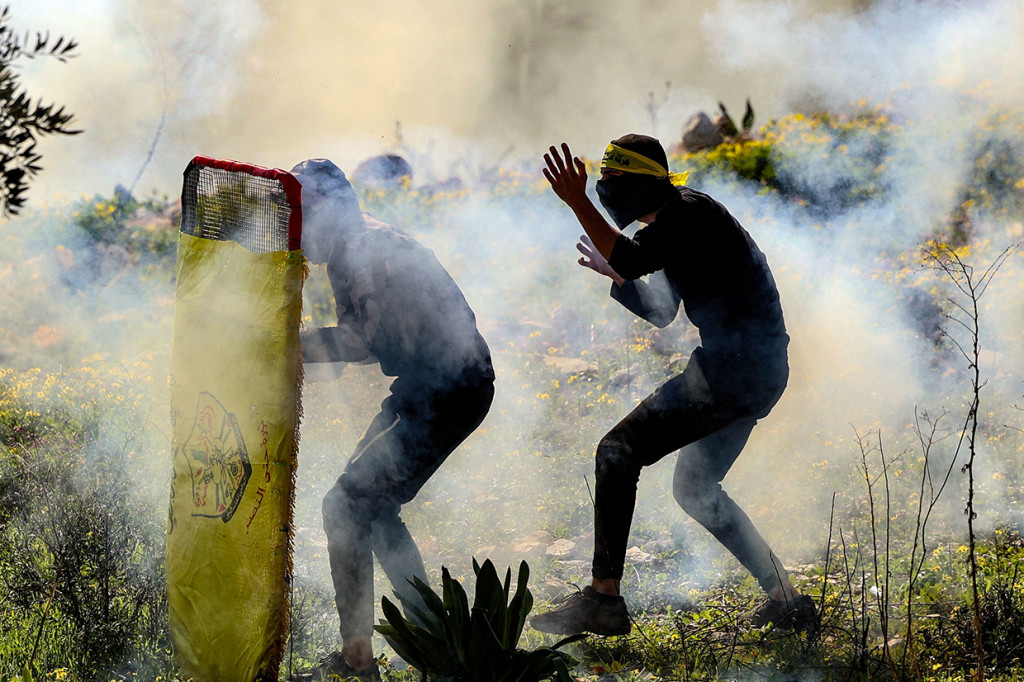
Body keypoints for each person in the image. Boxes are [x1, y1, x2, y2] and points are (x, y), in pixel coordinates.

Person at [530, 135, 816, 637]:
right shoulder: (673, 224)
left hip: (734, 371)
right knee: (695, 488)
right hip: (755, 370)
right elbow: (661, 311)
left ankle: (603, 598)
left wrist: (577, 203)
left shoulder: (688, 215)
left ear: (642, 182)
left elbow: (634, 258)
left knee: (617, 450)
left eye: (611, 182)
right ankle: (787, 599)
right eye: (598, 183)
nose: (601, 191)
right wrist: (618, 276)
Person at [289, 159, 495, 680]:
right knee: (371, 510)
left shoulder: (360, 252)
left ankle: (365, 659)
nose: (297, 229)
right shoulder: (356, 244)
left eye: (303, 214)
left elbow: (362, 339)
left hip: (447, 390)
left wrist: (287, 347)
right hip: (438, 387)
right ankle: (434, 650)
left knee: (345, 505)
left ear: (331, 211)